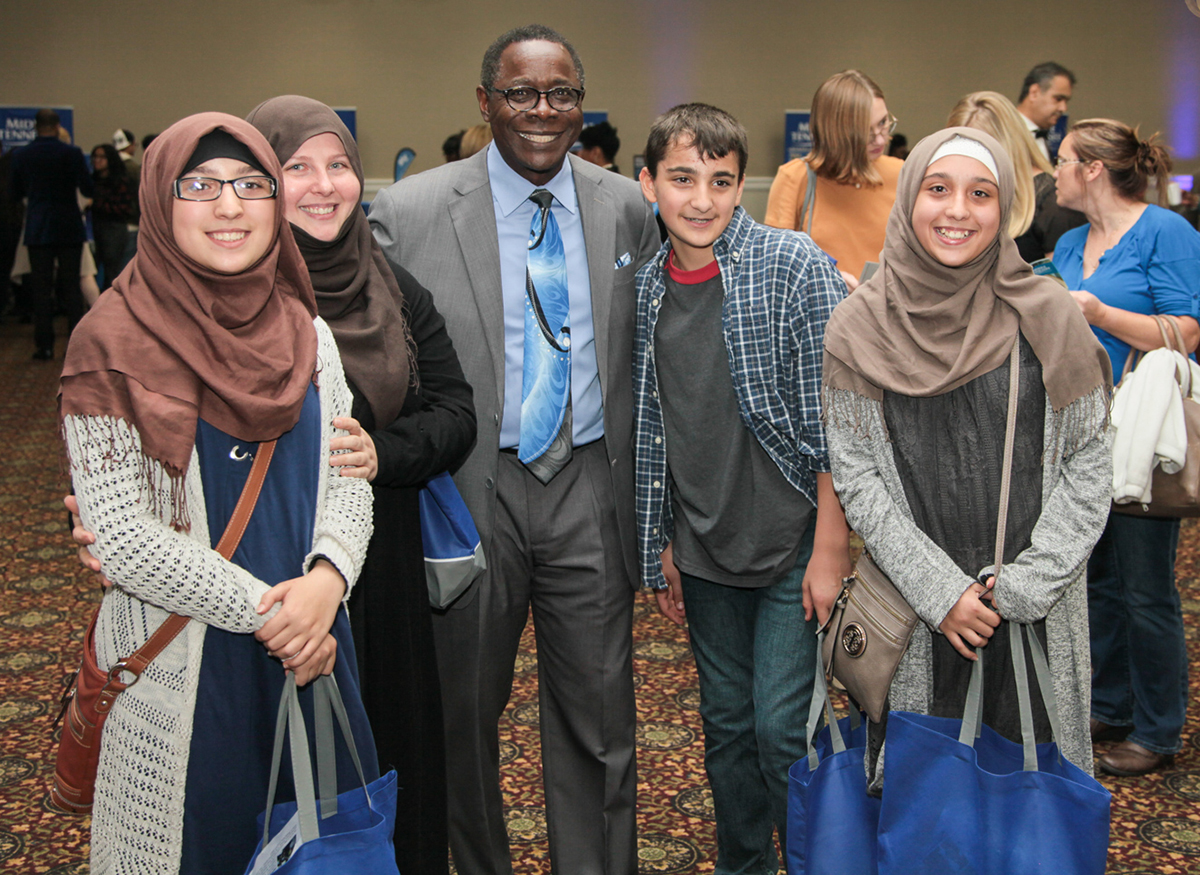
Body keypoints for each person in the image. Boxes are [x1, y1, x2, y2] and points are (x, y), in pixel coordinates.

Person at [368, 24, 659, 875]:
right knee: (461, 716)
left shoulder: (625, 208)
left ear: (582, 104)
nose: (543, 111)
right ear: (487, 102)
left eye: (562, 93)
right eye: (523, 93)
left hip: (587, 487)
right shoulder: (410, 213)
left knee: (601, 722)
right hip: (464, 493)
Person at [59, 112, 377, 875]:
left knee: (320, 850)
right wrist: (283, 616)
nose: (229, 206)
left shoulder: (308, 331)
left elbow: (349, 478)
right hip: (194, 669)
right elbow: (122, 536)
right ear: (159, 207)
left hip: (313, 648)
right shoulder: (108, 343)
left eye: (250, 184)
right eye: (198, 186)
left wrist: (327, 581)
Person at [822, 127, 1113, 792]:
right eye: (938, 189)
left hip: (1032, 610)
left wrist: (1027, 587)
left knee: (1033, 807)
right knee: (928, 815)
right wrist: (941, 592)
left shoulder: (1049, 314)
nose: (958, 210)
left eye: (980, 193)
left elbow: (1091, 460)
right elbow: (859, 475)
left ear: (1004, 204)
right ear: (910, 198)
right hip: (917, 612)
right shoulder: (860, 325)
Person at [246, 93, 476, 875]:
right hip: (267, 583)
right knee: (281, 773)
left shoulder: (395, 289)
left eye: (338, 165)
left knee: (388, 753)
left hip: (384, 578)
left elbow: (455, 412)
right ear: (263, 182)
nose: (323, 185)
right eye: (296, 167)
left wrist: (384, 451)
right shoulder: (233, 296)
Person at [633, 103, 850, 874]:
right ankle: (743, 862)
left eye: (721, 181)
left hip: (792, 542)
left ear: (741, 185)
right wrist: (660, 539)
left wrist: (830, 549)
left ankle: (816, 857)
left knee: (780, 727)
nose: (702, 199)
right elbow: (655, 428)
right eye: (682, 178)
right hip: (703, 545)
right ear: (647, 182)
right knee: (725, 723)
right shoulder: (646, 288)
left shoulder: (791, 265)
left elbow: (836, 421)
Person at [1052, 118, 1200, 776]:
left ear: (1091, 169)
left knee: (1146, 589)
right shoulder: (1069, 241)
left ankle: (1158, 727)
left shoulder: (1166, 231)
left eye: (1062, 160)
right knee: (1098, 584)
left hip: (1138, 434)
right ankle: (1109, 704)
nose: (1052, 172)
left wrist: (1101, 314)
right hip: (1077, 439)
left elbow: (1186, 330)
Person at [765, 70, 902, 283]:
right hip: (822, 310)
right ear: (836, 133)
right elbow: (775, 267)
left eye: (883, 123)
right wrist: (827, 279)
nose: (881, 140)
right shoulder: (795, 178)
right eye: (866, 132)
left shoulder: (901, 174)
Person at [948, 90, 1085, 262]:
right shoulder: (965, 199)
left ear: (1006, 147)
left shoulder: (1054, 204)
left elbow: (1061, 285)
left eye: (979, 151)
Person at [9, 108, 92, 359]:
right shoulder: (72, 154)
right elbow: (88, 187)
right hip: (68, 225)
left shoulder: (21, 155)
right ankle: (77, 347)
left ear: (35, 126)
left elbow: (13, 193)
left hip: (38, 226)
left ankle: (44, 346)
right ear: (57, 127)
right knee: (72, 288)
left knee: (41, 290)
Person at [89, 142, 136, 286]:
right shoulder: (92, 181)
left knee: (112, 271)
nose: (97, 160)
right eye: (95, 157)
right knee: (92, 270)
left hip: (114, 228)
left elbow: (125, 208)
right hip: (95, 227)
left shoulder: (120, 180)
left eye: (102, 157)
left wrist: (96, 204)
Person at [1016, 62, 1075, 162]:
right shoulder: (1003, 132)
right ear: (1034, 93)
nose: (1063, 108)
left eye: (1066, 101)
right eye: (1058, 98)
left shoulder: (1049, 138)